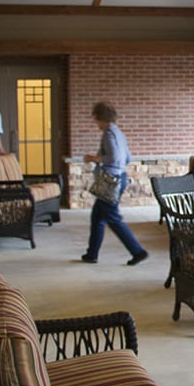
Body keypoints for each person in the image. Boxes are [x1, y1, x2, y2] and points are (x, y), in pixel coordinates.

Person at [81, 102, 148, 266]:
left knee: (112, 218)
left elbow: (115, 158)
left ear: (101, 118)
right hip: (119, 177)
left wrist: (93, 158)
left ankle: (138, 251)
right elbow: (126, 158)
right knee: (97, 216)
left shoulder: (109, 134)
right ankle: (92, 254)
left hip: (110, 181)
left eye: (96, 119)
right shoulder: (118, 133)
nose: (96, 123)